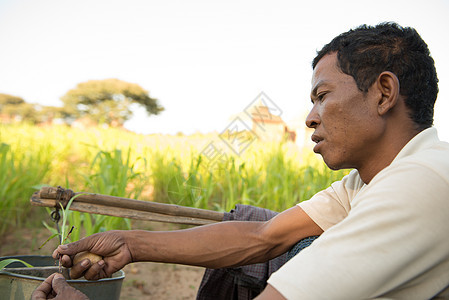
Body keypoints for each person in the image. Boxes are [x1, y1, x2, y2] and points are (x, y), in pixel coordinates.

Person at [50, 22, 449, 299]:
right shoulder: (367, 182)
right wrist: (129, 243)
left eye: (322, 96)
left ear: (383, 93)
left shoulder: (419, 184)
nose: (310, 117)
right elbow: (265, 236)